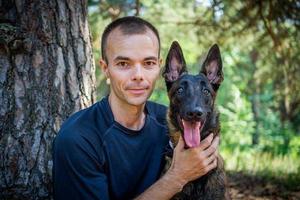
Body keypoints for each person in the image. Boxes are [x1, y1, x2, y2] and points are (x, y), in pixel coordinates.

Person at [53, 16, 219, 200]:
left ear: (159, 67)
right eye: (124, 64)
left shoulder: (171, 122)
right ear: (105, 68)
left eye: (148, 63)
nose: (138, 75)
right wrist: (177, 177)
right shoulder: (78, 139)